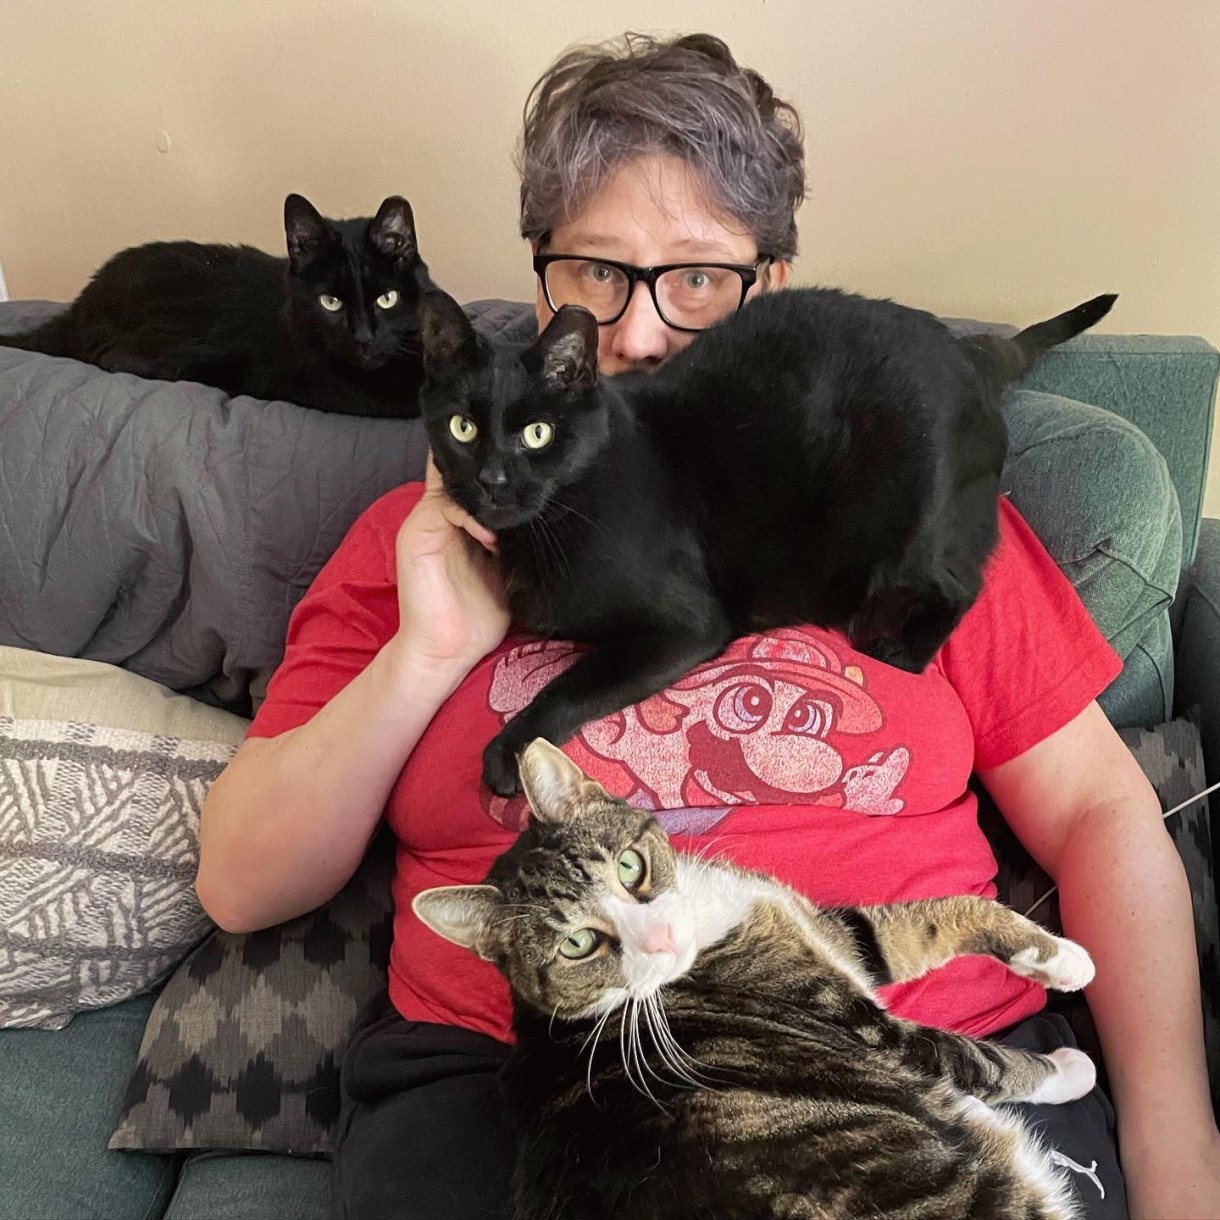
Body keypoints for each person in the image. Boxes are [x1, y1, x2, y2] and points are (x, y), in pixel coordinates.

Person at [196, 33, 1220, 1220]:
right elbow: (242, 881)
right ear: (543, 291)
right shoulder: (416, 532)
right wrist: (427, 649)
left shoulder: (911, 499)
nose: (635, 336)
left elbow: (1099, 809)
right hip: (548, 1091)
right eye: (594, 272)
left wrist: (1172, 1138)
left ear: (769, 298)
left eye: (695, 279)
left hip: (911, 1055)